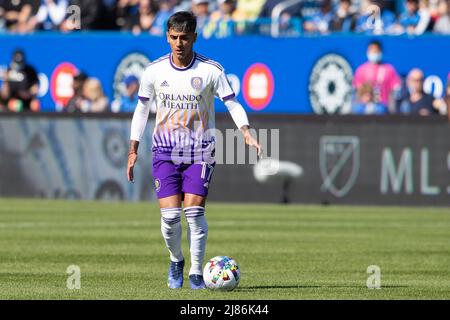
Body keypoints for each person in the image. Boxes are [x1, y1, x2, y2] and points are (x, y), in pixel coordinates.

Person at [126, 11, 262, 289]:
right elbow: (141, 109)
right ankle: (176, 260)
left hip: (200, 150)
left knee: (194, 213)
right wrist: (133, 148)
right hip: (164, 150)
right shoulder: (154, 71)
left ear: (194, 38)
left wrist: (246, 132)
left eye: (184, 38)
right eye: (174, 37)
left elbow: (232, 103)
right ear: (167, 37)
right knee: (170, 217)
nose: (179, 43)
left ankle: (197, 273)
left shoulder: (211, 70)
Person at [353, 40, 401, 113]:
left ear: (380, 52)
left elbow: (395, 90)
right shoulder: (361, 70)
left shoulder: (389, 69)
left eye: (376, 51)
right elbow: (358, 90)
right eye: (371, 51)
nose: (373, 53)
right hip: (364, 107)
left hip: (383, 106)